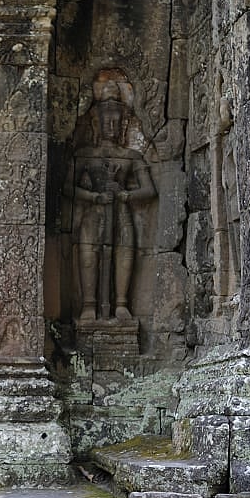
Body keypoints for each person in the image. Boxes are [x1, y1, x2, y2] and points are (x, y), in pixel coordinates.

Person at [73, 77, 155, 322]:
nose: (110, 124)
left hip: (121, 212)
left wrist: (125, 194)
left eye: (116, 120)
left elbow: (149, 190)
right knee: (89, 254)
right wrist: (95, 197)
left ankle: (121, 303)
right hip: (94, 213)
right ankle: (89, 305)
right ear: (95, 123)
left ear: (124, 124)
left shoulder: (131, 156)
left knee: (124, 253)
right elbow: (68, 187)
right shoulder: (85, 155)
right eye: (105, 119)